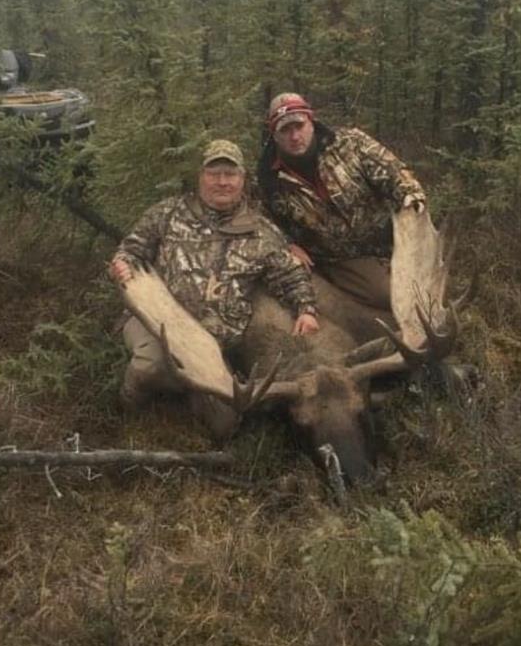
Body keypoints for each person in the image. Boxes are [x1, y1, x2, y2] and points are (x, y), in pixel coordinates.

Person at [109, 139, 318, 438]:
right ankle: (127, 408)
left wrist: (306, 310)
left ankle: (183, 397)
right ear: (201, 177)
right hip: (156, 321)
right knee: (150, 365)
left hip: (211, 345)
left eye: (230, 174)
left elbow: (290, 275)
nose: (222, 182)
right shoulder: (168, 212)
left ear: (242, 179)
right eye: (214, 173)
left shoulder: (261, 231)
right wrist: (122, 265)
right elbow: (131, 250)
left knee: (226, 426)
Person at [257, 93, 426, 310]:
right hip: (341, 260)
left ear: (311, 121)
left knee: (425, 281)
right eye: (285, 130)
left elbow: (396, 174)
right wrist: (287, 244)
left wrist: (411, 199)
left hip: (391, 239)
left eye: (299, 126)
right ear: (274, 135)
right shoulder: (268, 178)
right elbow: (262, 220)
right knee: (390, 293)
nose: (295, 136)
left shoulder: (351, 143)